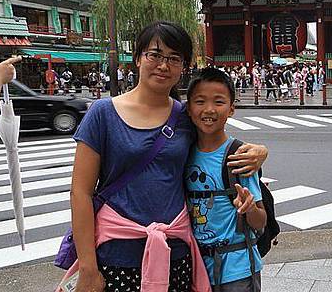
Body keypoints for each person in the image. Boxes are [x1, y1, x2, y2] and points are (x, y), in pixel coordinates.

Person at [70, 21, 268, 292]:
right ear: (138, 58)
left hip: (176, 252)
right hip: (117, 252)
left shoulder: (184, 116)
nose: (163, 65)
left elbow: (217, 144)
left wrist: (261, 151)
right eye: (155, 55)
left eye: (174, 59)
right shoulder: (103, 113)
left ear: (183, 67)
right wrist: (88, 267)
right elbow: (80, 193)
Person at [185, 68, 266, 291]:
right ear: (189, 108)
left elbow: (261, 222)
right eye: (200, 101)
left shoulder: (240, 157)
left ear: (231, 109)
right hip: (197, 268)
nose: (209, 109)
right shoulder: (182, 153)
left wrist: (248, 208)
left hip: (237, 269)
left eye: (219, 102)